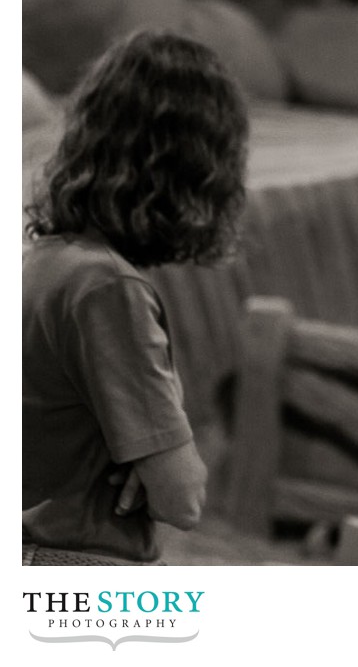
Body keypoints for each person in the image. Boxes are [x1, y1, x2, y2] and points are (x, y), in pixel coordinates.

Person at [23, 31, 250, 564]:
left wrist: (144, 462)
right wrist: (163, 466)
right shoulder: (108, 289)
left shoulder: (44, 261)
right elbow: (183, 497)